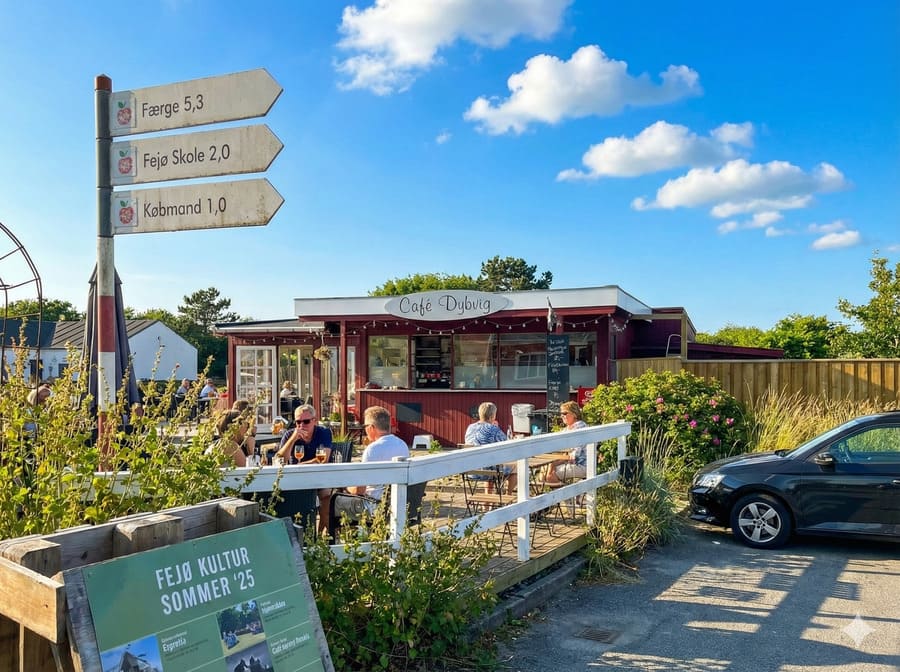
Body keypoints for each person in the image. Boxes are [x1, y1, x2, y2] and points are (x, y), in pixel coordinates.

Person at [332, 406, 409, 522]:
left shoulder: (372, 449)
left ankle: (328, 533)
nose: (365, 430)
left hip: (374, 506)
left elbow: (359, 490)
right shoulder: (402, 445)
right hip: (398, 503)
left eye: (365, 426)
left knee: (333, 501)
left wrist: (345, 485)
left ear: (371, 427)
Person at [274, 404, 333, 532]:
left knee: (326, 495)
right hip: (295, 478)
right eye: (298, 422)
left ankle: (322, 536)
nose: (301, 425)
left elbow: (323, 459)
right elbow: (279, 459)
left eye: (306, 421)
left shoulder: (323, 433)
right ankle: (294, 532)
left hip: (319, 476)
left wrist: (301, 465)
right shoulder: (289, 434)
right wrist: (292, 440)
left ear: (314, 421)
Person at [464, 401, 516, 494]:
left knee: (489, 463)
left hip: (472, 470)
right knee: (517, 467)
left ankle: (487, 498)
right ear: (492, 416)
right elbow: (507, 445)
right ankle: (508, 495)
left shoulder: (470, 428)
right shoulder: (493, 429)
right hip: (490, 470)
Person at [544, 401, 589, 486]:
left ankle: (566, 494)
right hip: (570, 462)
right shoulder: (568, 429)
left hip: (581, 465)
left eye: (565, 413)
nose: (562, 416)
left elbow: (575, 456)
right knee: (543, 473)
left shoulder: (579, 428)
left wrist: (553, 464)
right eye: (561, 414)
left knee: (550, 475)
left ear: (574, 414)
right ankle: (562, 492)